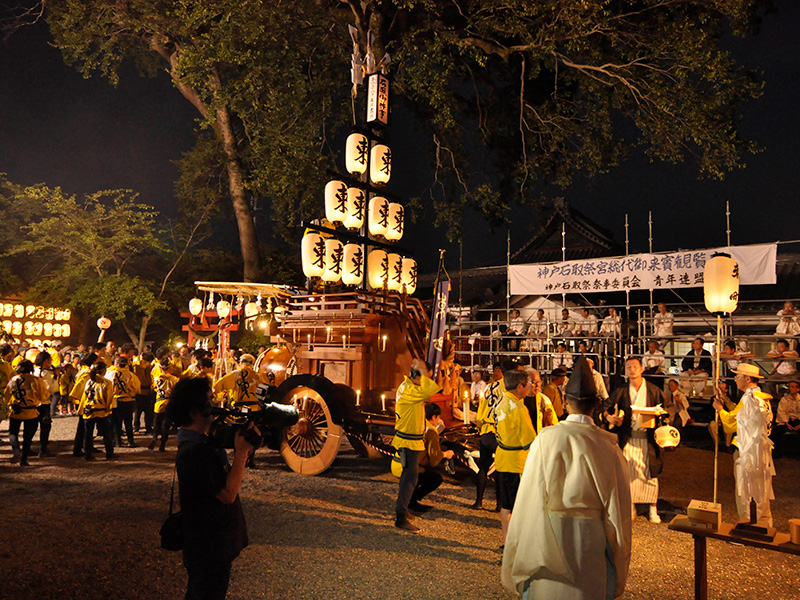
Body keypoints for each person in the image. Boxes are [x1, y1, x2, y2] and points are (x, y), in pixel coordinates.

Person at [502, 356, 632, 600]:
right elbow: (618, 514)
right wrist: (619, 568)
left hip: (548, 537)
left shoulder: (546, 439)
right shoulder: (609, 447)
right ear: (596, 404)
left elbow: (528, 498)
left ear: (565, 400)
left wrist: (519, 552)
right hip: (589, 542)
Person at [168, 376, 254, 600]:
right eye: (209, 401)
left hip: (206, 542)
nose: (215, 406)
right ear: (194, 412)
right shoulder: (195, 452)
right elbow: (227, 494)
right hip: (209, 544)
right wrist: (242, 453)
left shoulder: (198, 444)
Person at [604, 356, 673, 524]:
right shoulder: (621, 390)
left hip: (648, 439)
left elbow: (669, 407)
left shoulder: (653, 390)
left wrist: (661, 416)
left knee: (650, 473)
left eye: (635, 366)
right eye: (628, 367)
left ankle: (653, 509)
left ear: (642, 369)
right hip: (628, 437)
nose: (632, 369)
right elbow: (604, 406)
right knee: (627, 473)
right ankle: (631, 506)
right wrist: (609, 417)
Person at [713, 363, 774, 526]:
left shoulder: (749, 398)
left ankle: (747, 524)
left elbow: (733, 423)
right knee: (761, 488)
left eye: (737, 376)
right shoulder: (761, 397)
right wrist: (726, 400)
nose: (735, 379)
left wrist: (720, 409)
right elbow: (741, 415)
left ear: (747, 379)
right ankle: (763, 524)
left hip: (747, 449)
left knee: (745, 489)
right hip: (760, 449)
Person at [392, 358, 440, 533]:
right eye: (426, 375)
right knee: (409, 478)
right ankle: (400, 516)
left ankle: (404, 510)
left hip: (411, 439)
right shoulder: (410, 390)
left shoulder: (408, 387)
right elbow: (432, 391)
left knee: (410, 478)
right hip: (408, 440)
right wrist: (422, 371)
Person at [494, 369, 536, 544]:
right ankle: (516, 545)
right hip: (517, 461)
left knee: (506, 505)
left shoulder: (501, 401)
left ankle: (506, 540)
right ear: (520, 386)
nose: (529, 389)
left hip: (502, 457)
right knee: (519, 507)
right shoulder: (518, 408)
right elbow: (530, 439)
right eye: (527, 385)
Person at [402, 403, 455, 513]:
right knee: (435, 478)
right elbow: (434, 458)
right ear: (433, 417)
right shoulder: (431, 430)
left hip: (401, 461)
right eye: (438, 417)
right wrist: (446, 454)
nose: (439, 420)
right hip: (415, 466)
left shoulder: (416, 424)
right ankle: (411, 500)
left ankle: (408, 499)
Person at [472, 365, 505, 511]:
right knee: (499, 468)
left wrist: (479, 425)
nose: (496, 372)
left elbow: (481, 408)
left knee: (484, 467)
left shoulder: (488, 388)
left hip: (486, 429)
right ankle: (499, 505)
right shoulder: (508, 387)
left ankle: (479, 501)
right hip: (498, 431)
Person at [4, 360, 46, 466]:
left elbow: (6, 396)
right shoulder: (36, 380)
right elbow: (43, 396)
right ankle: (24, 459)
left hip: (16, 410)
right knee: (28, 437)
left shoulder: (13, 380)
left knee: (13, 432)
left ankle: (16, 450)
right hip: (31, 411)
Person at [78, 362, 115, 461]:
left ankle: (88, 454)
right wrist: (109, 409)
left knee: (88, 433)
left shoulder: (89, 382)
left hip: (88, 409)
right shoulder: (106, 383)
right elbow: (109, 397)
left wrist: (81, 409)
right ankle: (109, 453)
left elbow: (84, 396)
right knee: (107, 433)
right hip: (101, 410)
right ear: (103, 371)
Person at [107, 355, 142, 447]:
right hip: (128, 400)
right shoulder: (131, 375)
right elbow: (137, 387)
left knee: (116, 423)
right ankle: (130, 440)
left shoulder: (110, 374)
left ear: (117, 364)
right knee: (128, 422)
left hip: (116, 400)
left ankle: (118, 441)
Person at [151, 356, 179, 451]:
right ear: (169, 367)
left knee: (157, 422)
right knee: (166, 425)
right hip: (169, 403)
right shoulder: (174, 379)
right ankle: (162, 444)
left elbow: (154, 388)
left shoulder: (156, 378)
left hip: (158, 403)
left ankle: (155, 437)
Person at [771, 379, 800, 458]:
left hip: (798, 422)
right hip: (787, 421)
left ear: (798, 389)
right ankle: (776, 453)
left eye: (793, 387)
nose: (791, 389)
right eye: (790, 387)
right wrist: (786, 423)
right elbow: (782, 411)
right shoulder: (784, 399)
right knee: (775, 431)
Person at [708, 381, 737, 451]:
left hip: (727, 418)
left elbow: (732, 411)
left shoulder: (731, 399)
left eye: (721, 388)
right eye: (719, 388)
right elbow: (711, 411)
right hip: (717, 419)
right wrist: (717, 419)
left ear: (726, 390)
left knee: (729, 425)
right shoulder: (713, 399)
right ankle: (717, 444)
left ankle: (727, 445)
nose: (719, 390)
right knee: (712, 425)